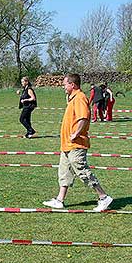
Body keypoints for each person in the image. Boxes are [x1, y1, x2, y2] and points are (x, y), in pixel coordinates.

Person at [43, 74, 113, 212]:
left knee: (81, 170)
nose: (64, 87)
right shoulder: (72, 99)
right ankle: (59, 200)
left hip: (76, 144)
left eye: (65, 85)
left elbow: (84, 118)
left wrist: (76, 133)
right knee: (64, 172)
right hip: (67, 145)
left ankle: (104, 197)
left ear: (72, 85)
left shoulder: (80, 98)